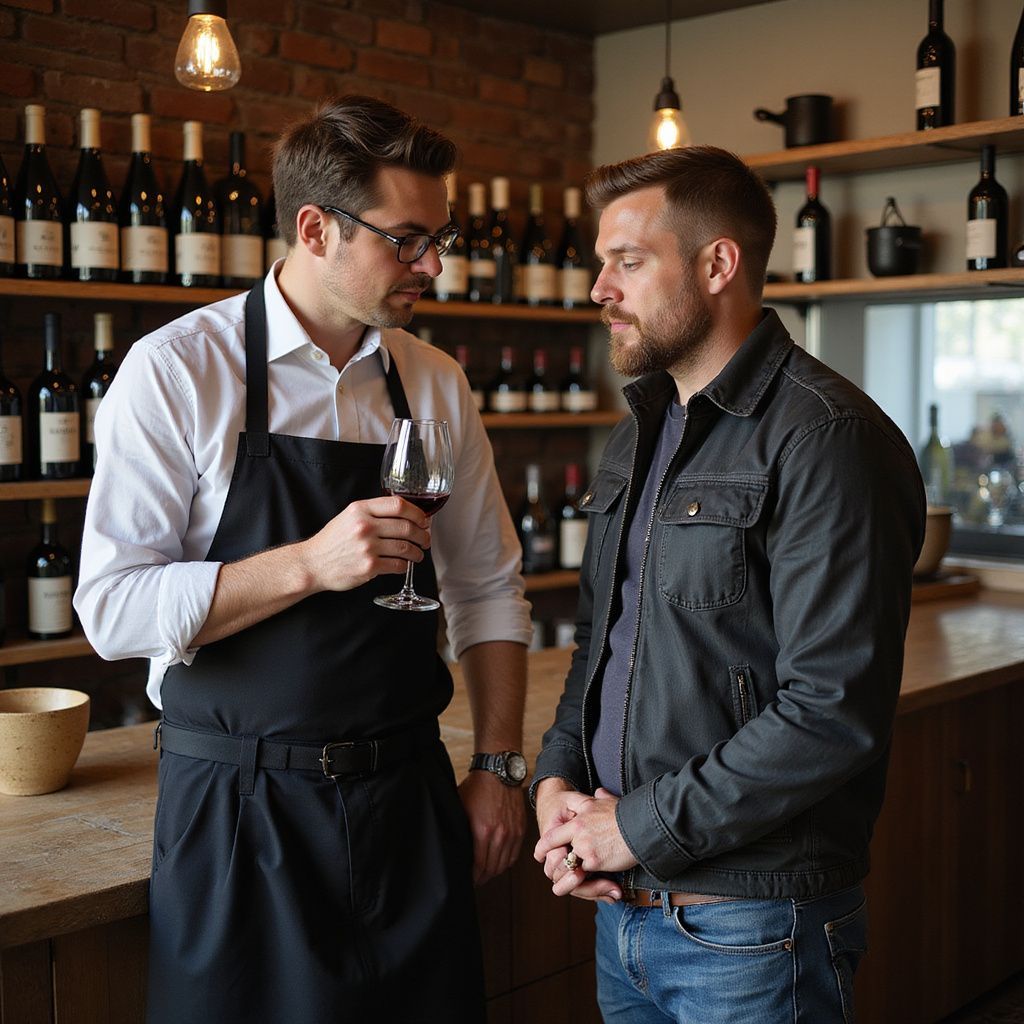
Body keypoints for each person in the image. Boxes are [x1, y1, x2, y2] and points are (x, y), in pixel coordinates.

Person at [74, 95, 532, 1024]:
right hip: (239, 815)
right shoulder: (178, 372)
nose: (433, 264)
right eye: (408, 239)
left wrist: (497, 765)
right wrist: (309, 565)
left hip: (410, 804)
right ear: (316, 228)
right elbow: (112, 610)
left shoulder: (435, 380)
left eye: (439, 237)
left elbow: (486, 586)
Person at [531, 146, 926, 1023]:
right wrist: (557, 787)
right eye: (602, 264)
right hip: (622, 913)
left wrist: (630, 828)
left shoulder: (827, 438)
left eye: (628, 263)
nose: (600, 289)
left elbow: (833, 711)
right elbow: (601, 645)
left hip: (753, 928)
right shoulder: (636, 435)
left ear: (717, 264)